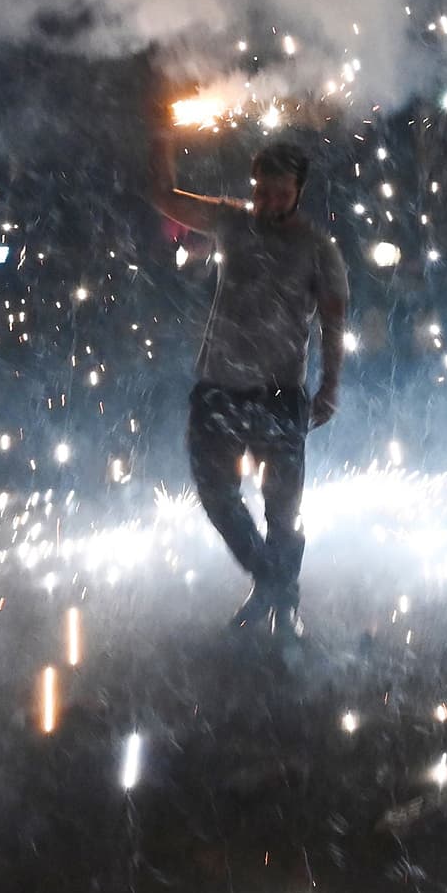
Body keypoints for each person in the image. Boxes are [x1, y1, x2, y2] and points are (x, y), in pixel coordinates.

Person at [149, 99, 349, 642]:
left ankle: (284, 603)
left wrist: (329, 386)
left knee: (283, 512)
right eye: (261, 189)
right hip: (217, 390)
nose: (267, 201)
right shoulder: (231, 220)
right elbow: (165, 198)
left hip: (279, 396)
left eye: (279, 193)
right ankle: (273, 582)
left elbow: (334, 322)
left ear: (299, 191)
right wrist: (163, 141)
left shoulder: (315, 248)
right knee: (216, 494)